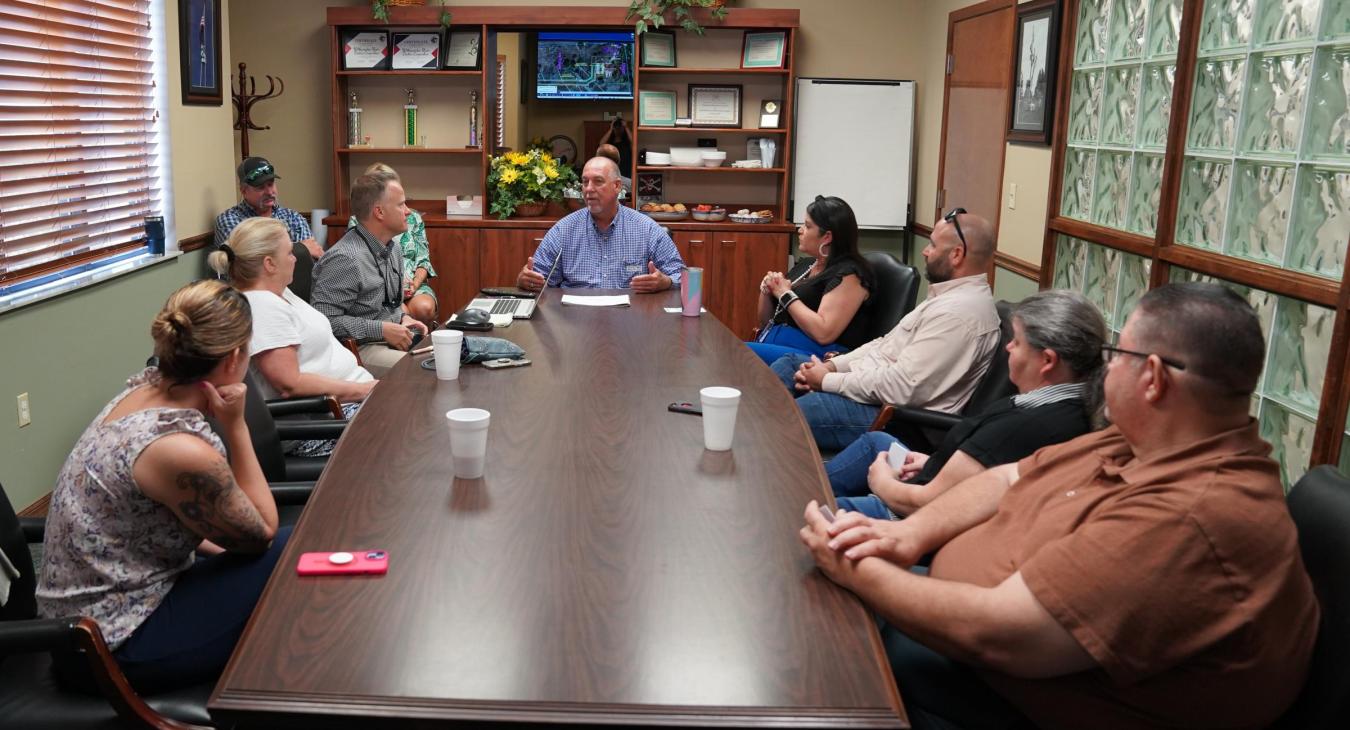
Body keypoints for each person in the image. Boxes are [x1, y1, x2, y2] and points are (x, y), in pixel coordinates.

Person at [800, 283, 1320, 730]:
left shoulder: (1194, 514)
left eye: (1118, 354)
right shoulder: (1142, 439)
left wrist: (858, 570)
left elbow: (998, 635)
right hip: (960, 629)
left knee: (811, 659)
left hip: (996, 697)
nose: (1106, 365)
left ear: (1154, 378)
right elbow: (1010, 476)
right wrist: (907, 536)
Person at [37, 280, 288, 694]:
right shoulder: (178, 449)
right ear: (234, 358)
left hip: (80, 623)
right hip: (109, 647)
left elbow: (167, 523)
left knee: (285, 558)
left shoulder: (141, 391)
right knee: (290, 550)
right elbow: (261, 531)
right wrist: (236, 426)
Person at [826, 289, 1106, 520]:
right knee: (875, 442)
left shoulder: (1028, 426)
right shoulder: (1070, 404)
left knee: (818, 514)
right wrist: (935, 462)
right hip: (933, 477)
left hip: (909, 517)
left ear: (1047, 361)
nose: (1008, 348)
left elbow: (924, 504)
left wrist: (882, 483)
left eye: (1017, 342)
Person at [774, 209, 999, 452]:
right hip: (875, 392)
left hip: (896, 419)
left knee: (787, 416)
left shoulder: (959, 314)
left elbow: (902, 387)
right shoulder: (947, 297)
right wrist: (831, 367)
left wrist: (827, 381)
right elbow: (884, 344)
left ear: (956, 255)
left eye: (932, 245)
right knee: (789, 365)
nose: (924, 251)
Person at [210, 217, 376, 458]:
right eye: (289, 252)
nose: (295, 258)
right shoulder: (261, 305)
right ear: (269, 264)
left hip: (346, 403)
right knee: (415, 425)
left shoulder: (279, 292)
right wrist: (362, 390)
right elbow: (290, 383)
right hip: (324, 423)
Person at [311, 173, 428, 377]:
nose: (408, 212)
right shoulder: (346, 258)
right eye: (401, 205)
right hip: (356, 349)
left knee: (449, 357)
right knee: (425, 369)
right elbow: (323, 321)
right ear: (379, 212)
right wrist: (381, 330)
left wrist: (404, 318)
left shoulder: (393, 248)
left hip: (387, 340)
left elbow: (387, 305)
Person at [515, 156, 684, 292]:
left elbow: (682, 276)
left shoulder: (646, 229)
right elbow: (538, 279)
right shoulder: (563, 230)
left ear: (617, 186)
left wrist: (666, 282)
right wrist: (526, 280)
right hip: (574, 321)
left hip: (630, 322)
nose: (588, 189)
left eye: (598, 181)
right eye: (585, 182)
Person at [747, 195, 873, 365]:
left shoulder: (849, 274)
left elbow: (824, 332)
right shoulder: (806, 265)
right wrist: (767, 290)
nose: (800, 230)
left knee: (736, 351)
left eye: (807, 226)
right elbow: (764, 322)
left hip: (818, 359)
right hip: (779, 343)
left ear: (827, 237)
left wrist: (784, 293)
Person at [346, 162, 438, 328]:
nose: (407, 211)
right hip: (381, 292)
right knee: (400, 313)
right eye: (400, 204)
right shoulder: (358, 229)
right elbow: (367, 269)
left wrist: (414, 284)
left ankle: (422, 346)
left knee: (423, 308)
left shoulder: (409, 223)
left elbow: (424, 261)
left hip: (412, 285)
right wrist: (395, 289)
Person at [214, 156, 323, 260]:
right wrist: (300, 249)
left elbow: (309, 260)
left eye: (271, 184)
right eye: (260, 187)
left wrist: (271, 253)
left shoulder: (292, 218)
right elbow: (245, 263)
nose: (270, 192)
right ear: (244, 191)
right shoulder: (230, 220)